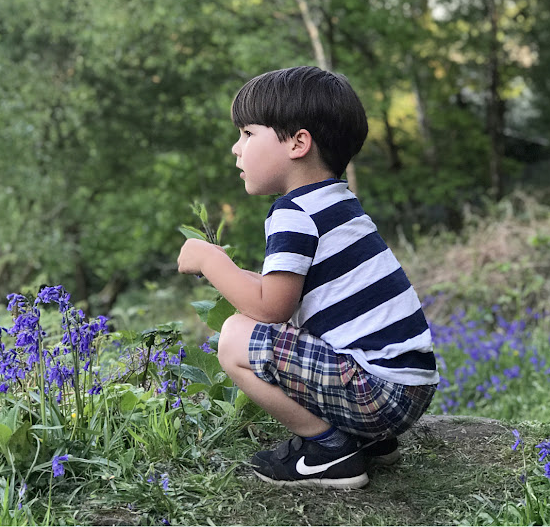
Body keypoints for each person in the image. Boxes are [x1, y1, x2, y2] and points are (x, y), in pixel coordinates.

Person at [177, 66, 438, 489]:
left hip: (377, 394)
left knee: (232, 338)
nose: (235, 148)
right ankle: (367, 439)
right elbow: (287, 292)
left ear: (298, 143)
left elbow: (271, 308)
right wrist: (232, 272)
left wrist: (211, 262)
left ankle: (330, 450)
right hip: (406, 391)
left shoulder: (294, 212)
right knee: (257, 330)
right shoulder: (338, 203)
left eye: (247, 133)